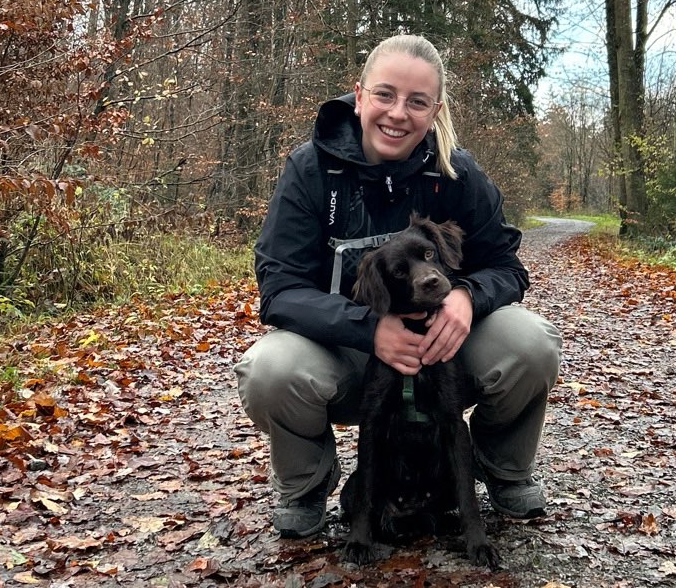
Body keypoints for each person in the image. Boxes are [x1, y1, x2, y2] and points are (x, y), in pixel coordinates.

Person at [235, 34, 562, 538]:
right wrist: (369, 329)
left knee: (531, 342)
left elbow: (506, 266)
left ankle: (504, 471)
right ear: (360, 95)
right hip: (344, 354)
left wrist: (466, 298)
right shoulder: (311, 169)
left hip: (440, 352)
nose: (398, 113)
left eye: (417, 101)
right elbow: (279, 288)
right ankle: (306, 485)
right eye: (385, 94)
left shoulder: (456, 172)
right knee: (271, 369)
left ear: (435, 110)